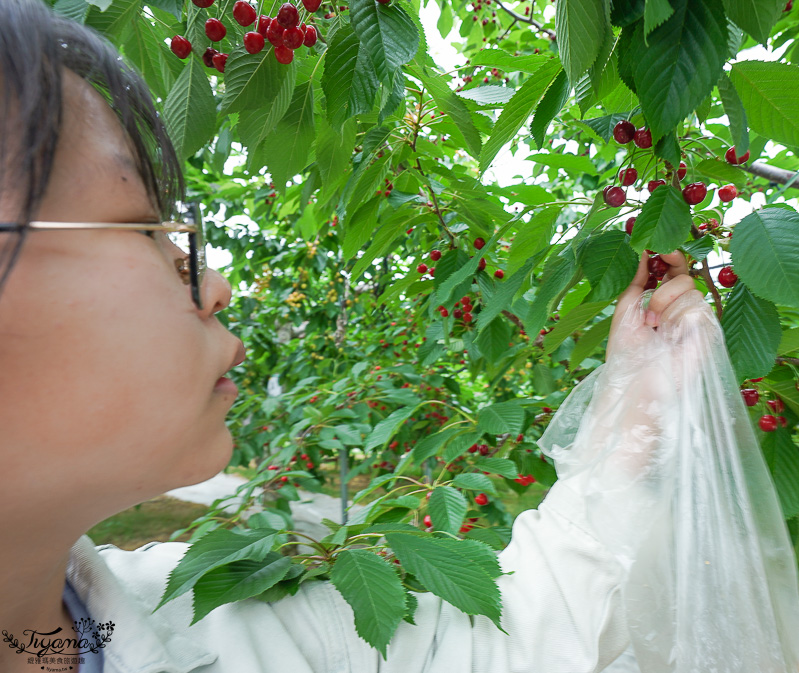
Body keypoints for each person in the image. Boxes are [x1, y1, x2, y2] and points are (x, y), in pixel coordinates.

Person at [0, 1, 695, 671]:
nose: (215, 285)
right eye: (142, 227)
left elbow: (523, 642)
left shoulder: (243, 622)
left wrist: (635, 406)